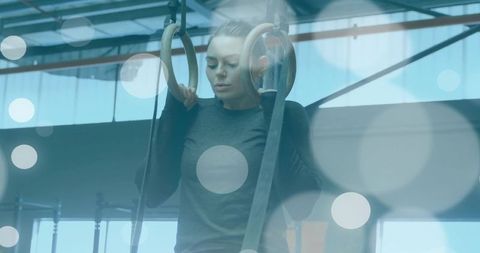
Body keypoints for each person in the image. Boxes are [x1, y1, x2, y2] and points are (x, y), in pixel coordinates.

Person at [136, 20, 321, 253]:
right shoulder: (191, 115)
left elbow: (301, 207)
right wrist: (172, 113)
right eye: (212, 64)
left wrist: (275, 121)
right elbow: (152, 194)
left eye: (231, 64)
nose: (219, 73)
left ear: (261, 66)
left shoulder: (285, 113)